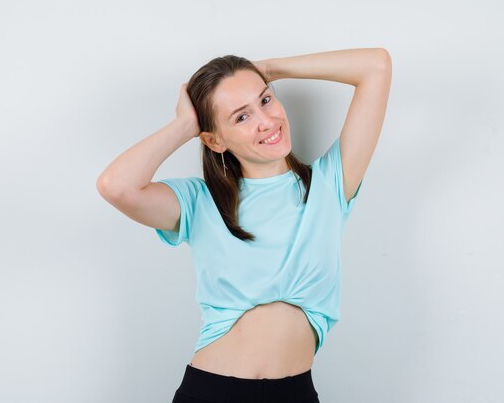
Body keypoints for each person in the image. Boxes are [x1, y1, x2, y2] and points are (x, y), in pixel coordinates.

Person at [96, 48, 392, 403]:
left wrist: (268, 69)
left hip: (294, 392)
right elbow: (116, 186)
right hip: (212, 390)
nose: (266, 121)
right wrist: (186, 126)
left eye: (266, 100)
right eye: (241, 117)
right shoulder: (199, 202)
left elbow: (376, 66)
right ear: (214, 140)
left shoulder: (329, 185)